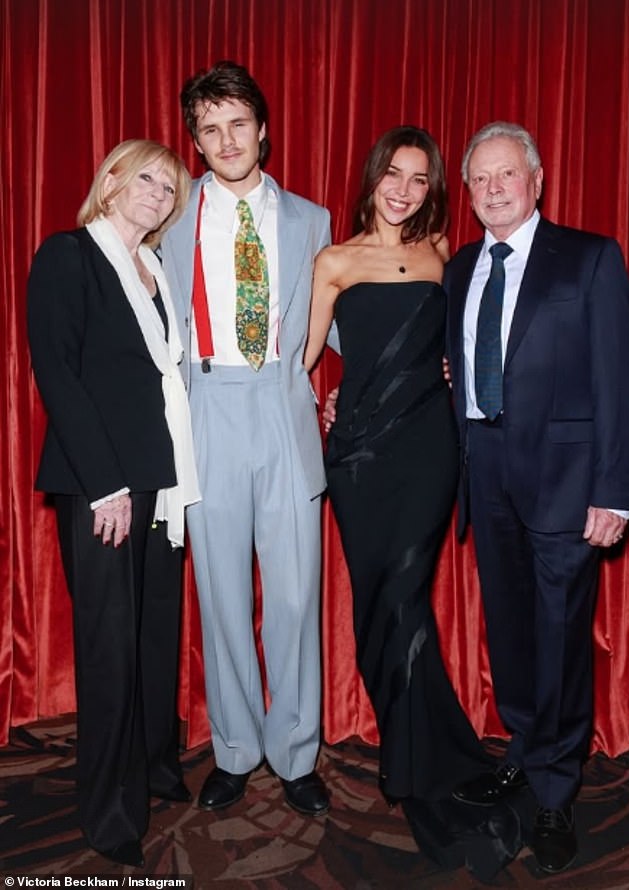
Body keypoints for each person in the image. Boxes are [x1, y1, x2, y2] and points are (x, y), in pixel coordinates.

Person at [305, 127, 522, 877]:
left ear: (433, 191)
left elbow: (471, 343)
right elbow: (302, 364)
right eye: (392, 174)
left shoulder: (442, 262)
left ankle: (416, 759)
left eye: (419, 179)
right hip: (359, 460)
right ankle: (424, 745)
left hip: (428, 450)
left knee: (403, 594)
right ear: (371, 179)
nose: (403, 188)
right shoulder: (333, 261)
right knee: (382, 604)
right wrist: (324, 406)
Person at [444, 121, 629, 874]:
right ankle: (525, 748)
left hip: (565, 485)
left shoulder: (589, 258)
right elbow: (461, 364)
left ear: (537, 179)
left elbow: (619, 380)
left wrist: (615, 490)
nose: (493, 189)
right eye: (480, 179)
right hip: (484, 473)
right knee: (512, 630)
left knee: (559, 637)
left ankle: (556, 792)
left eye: (506, 175)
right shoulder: (461, 266)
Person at [160, 61, 330, 817]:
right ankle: (235, 748)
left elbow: (338, 317)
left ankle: (297, 753)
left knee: (295, 594)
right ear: (195, 142)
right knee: (221, 593)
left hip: (284, 405)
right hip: (209, 405)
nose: (226, 141)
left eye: (237, 124)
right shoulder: (170, 218)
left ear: (262, 128)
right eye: (209, 129)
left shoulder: (311, 220)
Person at [27, 140, 201, 867]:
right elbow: (58, 374)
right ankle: (109, 810)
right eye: (149, 179)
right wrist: (106, 485)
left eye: (171, 188)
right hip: (105, 485)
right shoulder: (68, 256)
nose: (160, 193)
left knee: (155, 634)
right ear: (111, 181)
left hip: (163, 481)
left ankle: (154, 764)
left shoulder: (155, 271)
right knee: (109, 645)